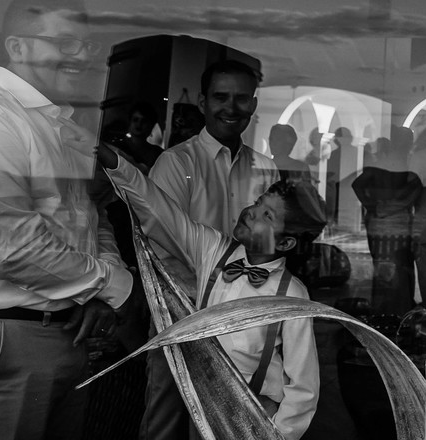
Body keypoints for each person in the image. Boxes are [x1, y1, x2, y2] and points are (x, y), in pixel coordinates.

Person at [0, 0, 133, 440]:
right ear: (17, 47)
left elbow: (94, 219)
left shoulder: (62, 128)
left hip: (67, 334)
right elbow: (7, 247)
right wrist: (115, 287)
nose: (81, 56)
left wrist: (100, 290)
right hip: (1, 339)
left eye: (86, 45)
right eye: (65, 43)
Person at [100, 143, 322, 439]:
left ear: (285, 243)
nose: (251, 213)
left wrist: (278, 433)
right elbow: (159, 210)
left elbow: (303, 384)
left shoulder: (292, 294)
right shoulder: (213, 250)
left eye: (267, 216)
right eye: (257, 203)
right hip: (201, 410)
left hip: (253, 419)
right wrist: (116, 164)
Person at [142, 58, 279, 440]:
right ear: (203, 102)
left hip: (244, 318)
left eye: (241, 98)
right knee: (167, 420)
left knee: (230, 420)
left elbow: (269, 247)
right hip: (182, 313)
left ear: (253, 104)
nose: (231, 108)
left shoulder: (266, 168)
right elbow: (162, 247)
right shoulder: (176, 163)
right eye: (221, 97)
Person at [352, 128, 423, 313]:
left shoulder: (382, 163)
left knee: (386, 264)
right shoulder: (407, 165)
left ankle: (385, 308)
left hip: (379, 221)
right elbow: (415, 191)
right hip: (397, 223)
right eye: (408, 141)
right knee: (400, 264)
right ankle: (397, 309)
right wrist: (394, 205)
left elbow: (357, 184)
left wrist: (372, 206)